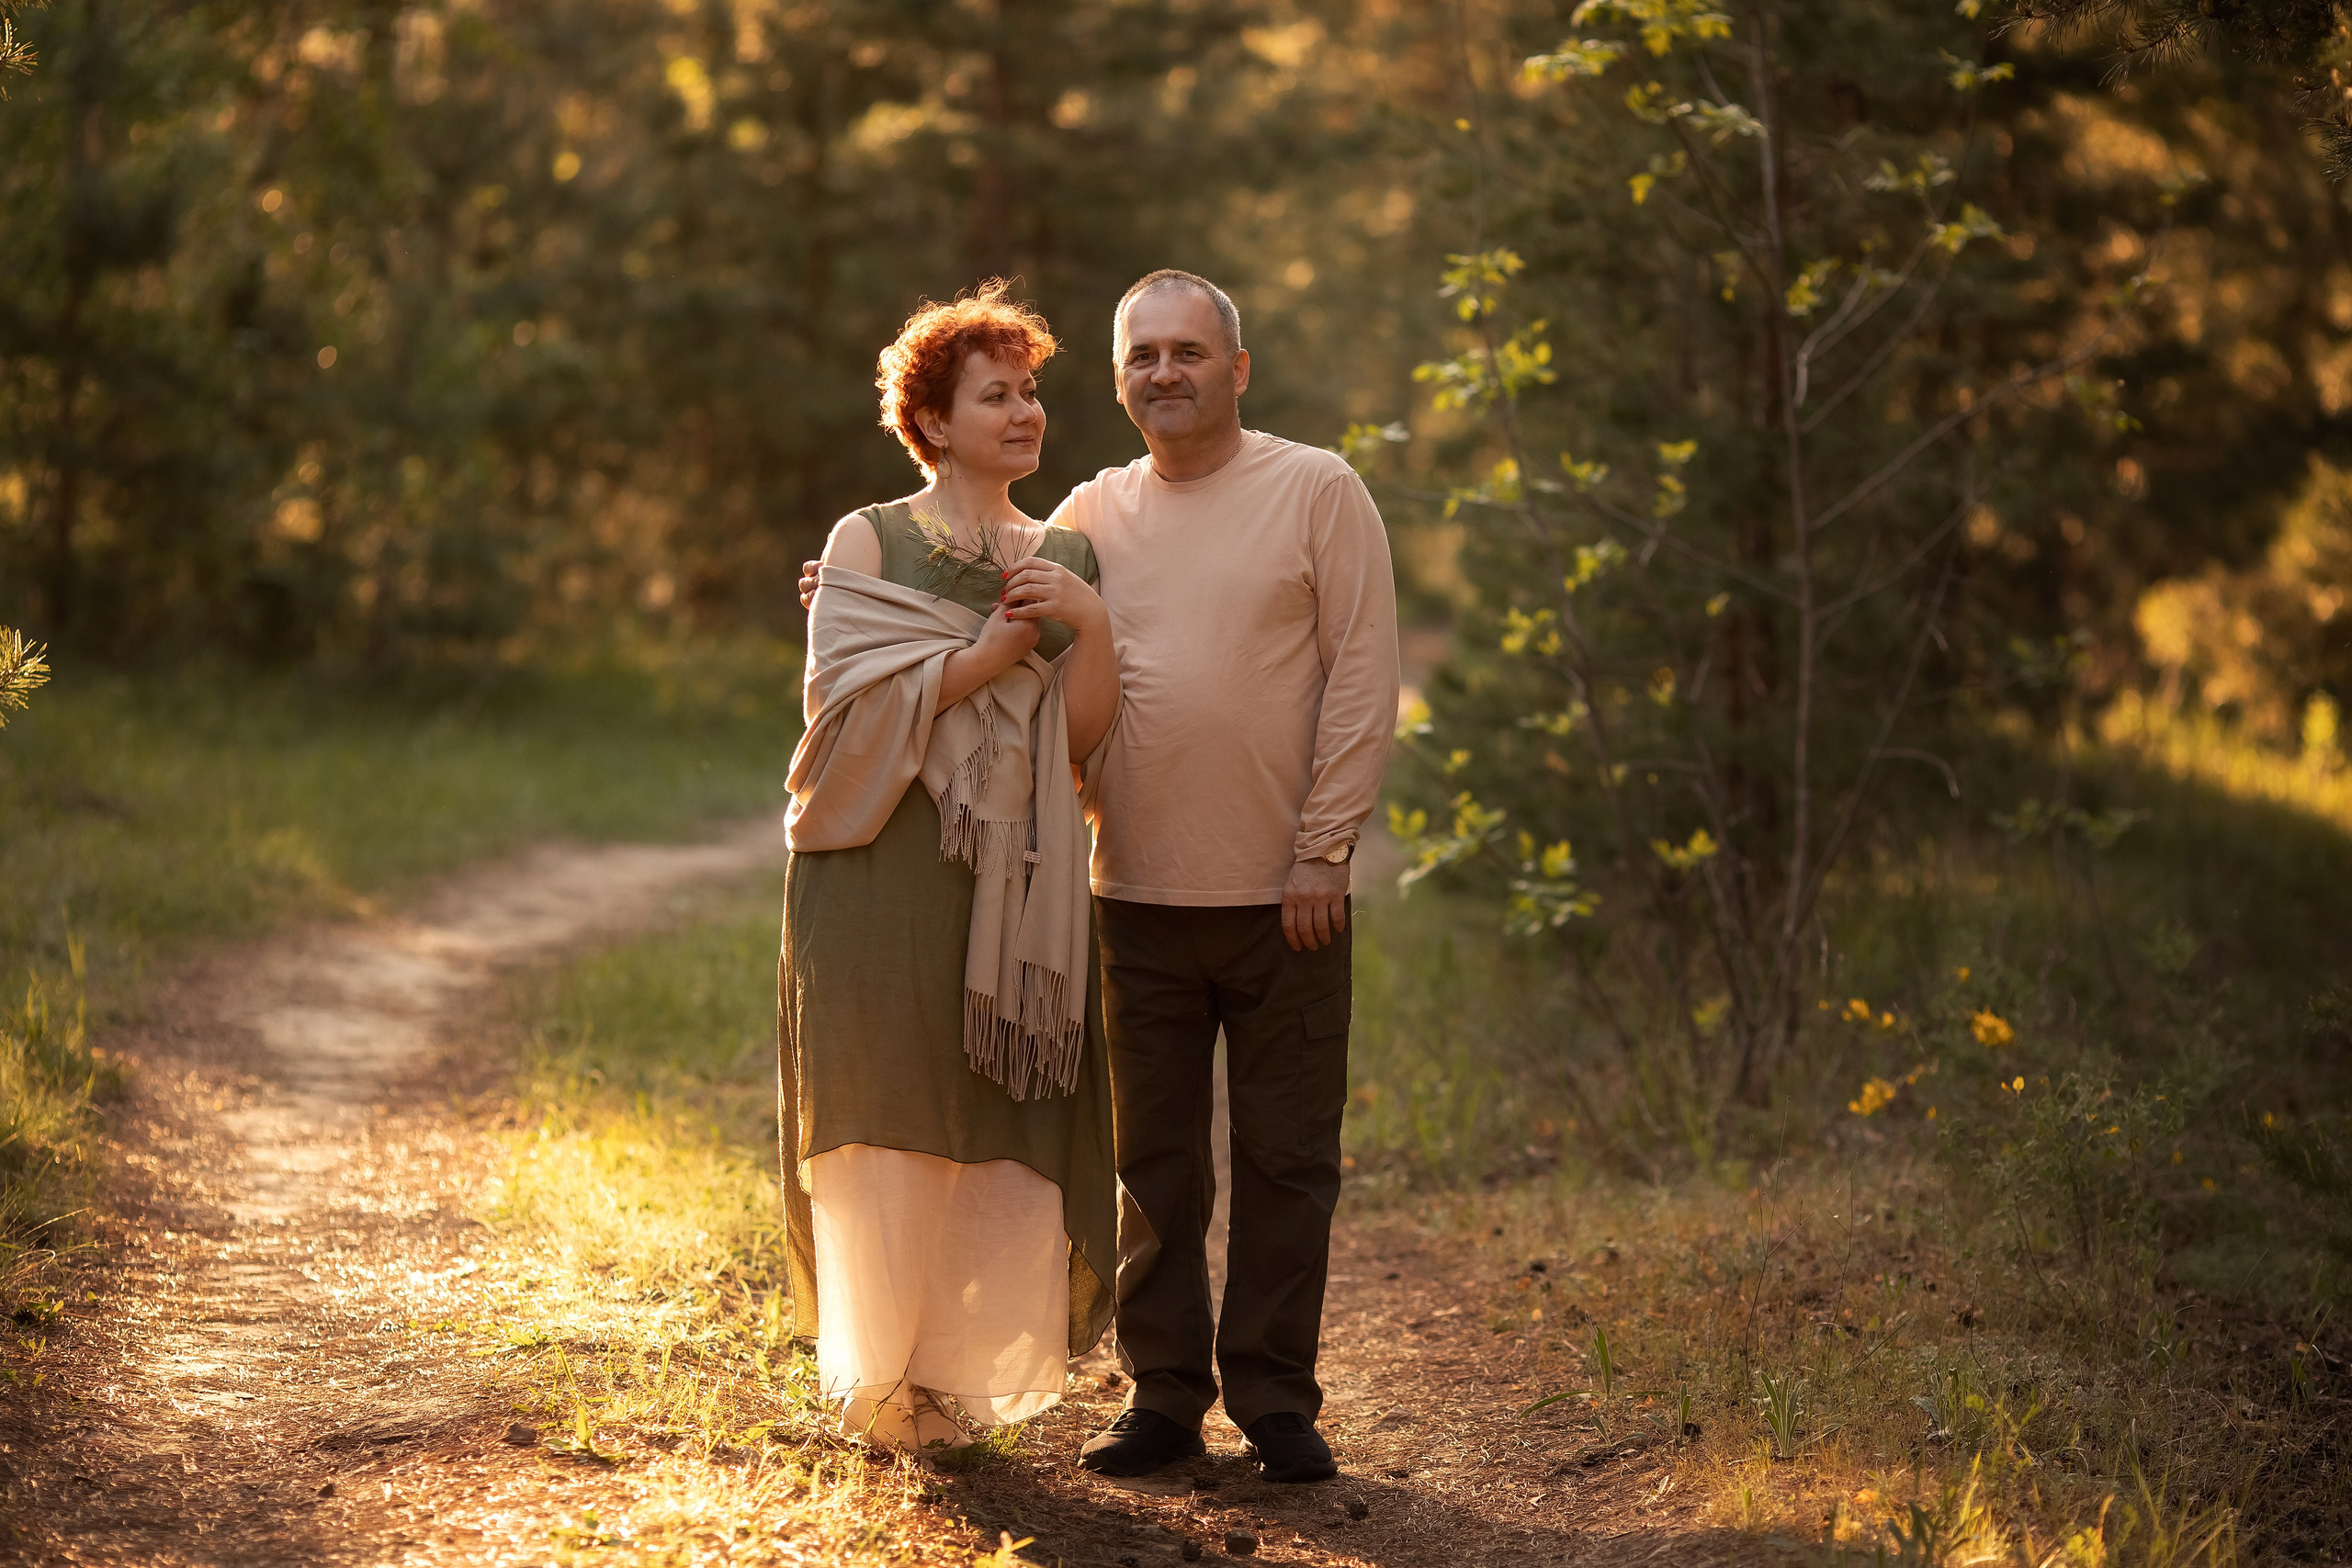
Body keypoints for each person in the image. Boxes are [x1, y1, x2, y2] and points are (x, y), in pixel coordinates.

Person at [802, 270, 1399, 1483]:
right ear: (1122, 380)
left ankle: (1278, 1396)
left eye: (1189, 351)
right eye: (1143, 357)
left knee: (1290, 1154)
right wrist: (846, 595)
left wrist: (1322, 844)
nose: (1165, 373)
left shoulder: (1316, 487)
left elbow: (1362, 674)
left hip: (1286, 891)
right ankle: (1166, 1394)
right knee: (1155, 1163)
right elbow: (972, 568)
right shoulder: (1089, 512)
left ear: (1237, 367)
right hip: (1126, 888)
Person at [778, 281, 1121, 1451]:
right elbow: (838, 718)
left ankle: (961, 1379)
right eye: (995, 394)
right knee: (890, 1108)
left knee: (995, 1106)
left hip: (1013, 883)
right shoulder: (866, 539)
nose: (1025, 411)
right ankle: (882, 1379)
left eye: (1030, 391)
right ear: (930, 420)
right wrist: (980, 659)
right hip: (882, 869)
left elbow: (1077, 744)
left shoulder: (1067, 551)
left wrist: (1094, 625)